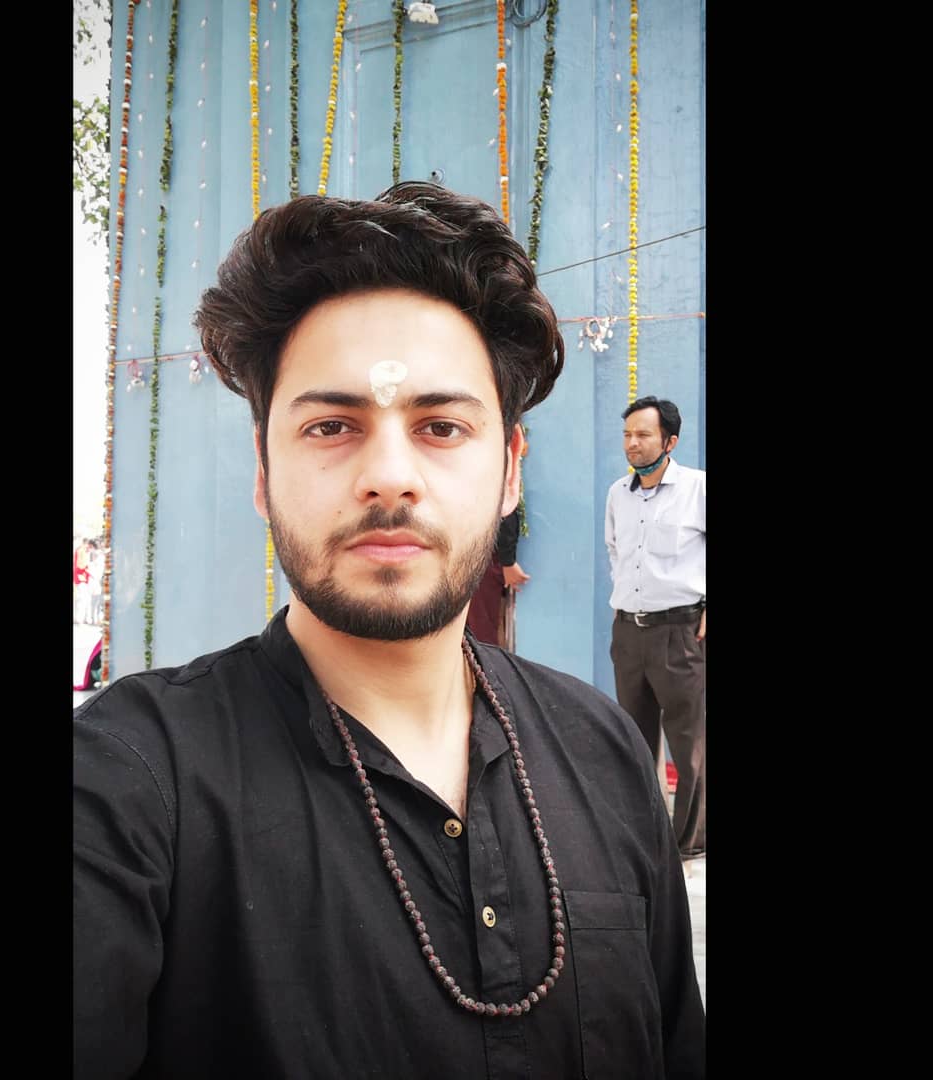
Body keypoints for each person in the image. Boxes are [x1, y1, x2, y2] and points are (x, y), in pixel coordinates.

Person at [74, 184, 706, 1079]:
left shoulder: (604, 753)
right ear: (262, 472)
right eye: (332, 426)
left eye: (441, 426)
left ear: (510, 470)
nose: (389, 476)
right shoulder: (128, 786)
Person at [604, 395, 706, 863]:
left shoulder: (697, 489)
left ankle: (689, 843)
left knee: (688, 744)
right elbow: (616, 552)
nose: (632, 443)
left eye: (643, 434)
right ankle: (645, 835)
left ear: (670, 441)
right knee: (633, 739)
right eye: (627, 434)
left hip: (680, 633)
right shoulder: (617, 494)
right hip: (629, 633)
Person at [466, 507, 529, 647]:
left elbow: (504, 510)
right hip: (475, 556)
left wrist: (508, 562)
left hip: (482, 556)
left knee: (481, 629)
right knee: (478, 628)